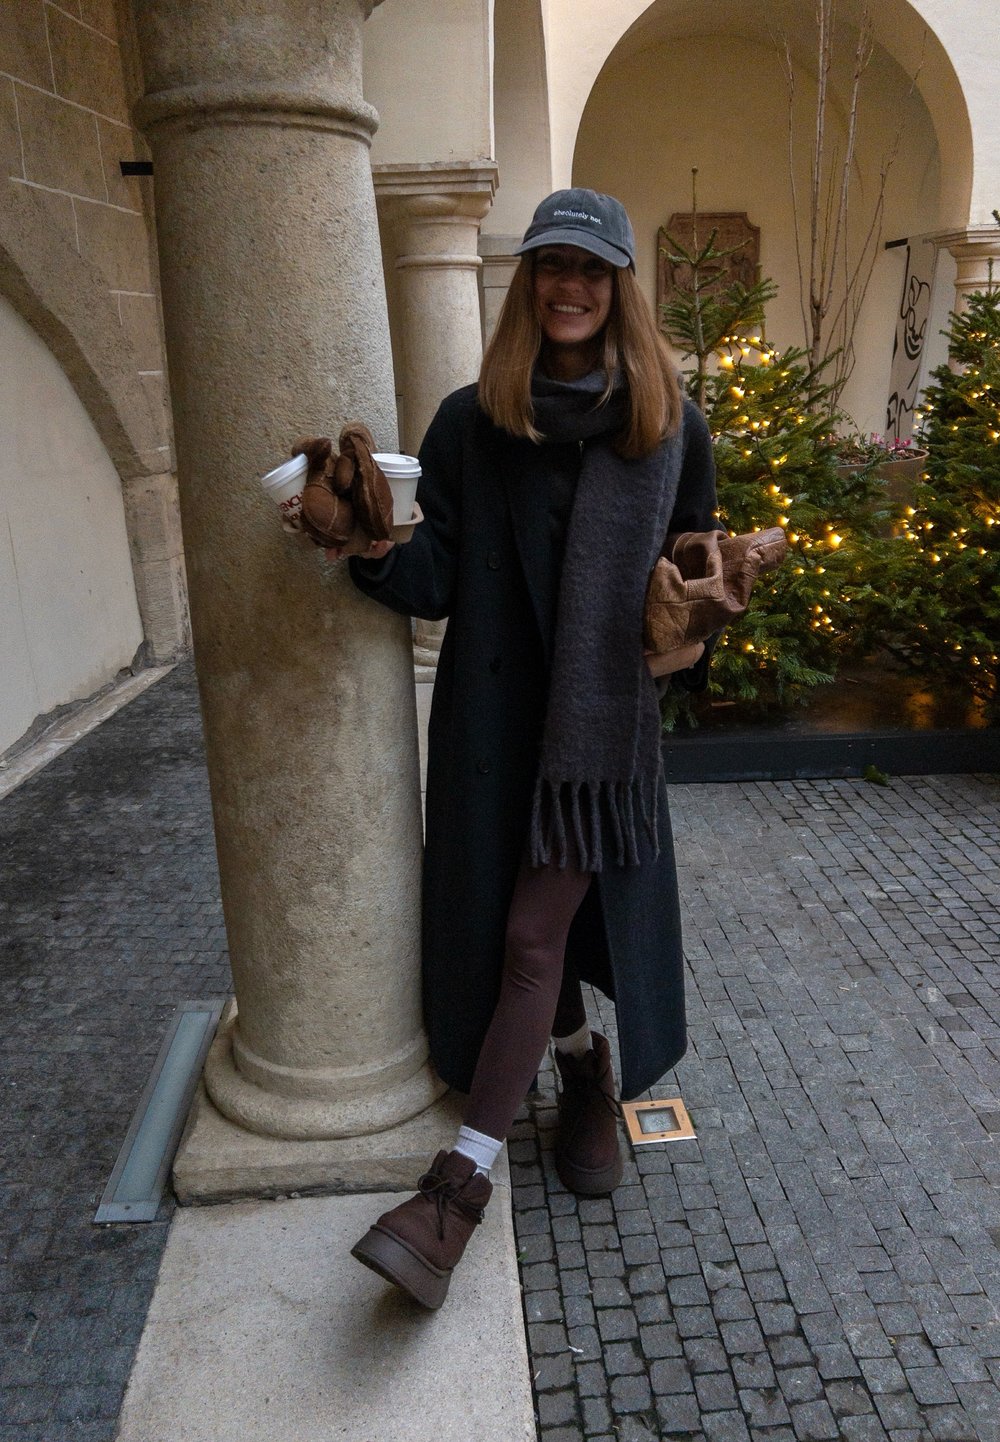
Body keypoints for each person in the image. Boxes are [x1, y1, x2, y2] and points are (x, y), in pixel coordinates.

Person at [338, 188, 718, 1310]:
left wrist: (706, 603)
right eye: (553, 265)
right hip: (495, 722)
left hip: (599, 735)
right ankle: (577, 1066)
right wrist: (360, 544)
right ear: (529, 281)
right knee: (513, 916)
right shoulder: (472, 420)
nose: (570, 287)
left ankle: (455, 1186)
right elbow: (438, 576)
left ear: (619, 290)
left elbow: (694, 575)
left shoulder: (671, 426)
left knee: (528, 932)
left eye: (592, 270)